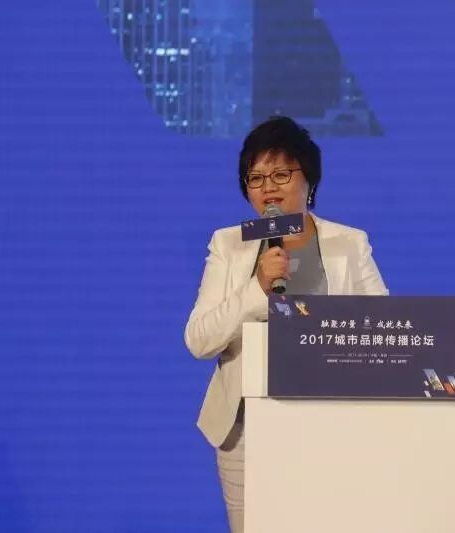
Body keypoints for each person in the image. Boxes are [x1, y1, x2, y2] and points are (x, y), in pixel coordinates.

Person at [183, 116, 388, 533]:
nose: (268, 187)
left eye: (280, 173)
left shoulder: (349, 243)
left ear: (308, 179)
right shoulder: (229, 244)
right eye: (256, 178)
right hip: (246, 429)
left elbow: (382, 326)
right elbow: (199, 339)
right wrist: (256, 290)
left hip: (332, 424)